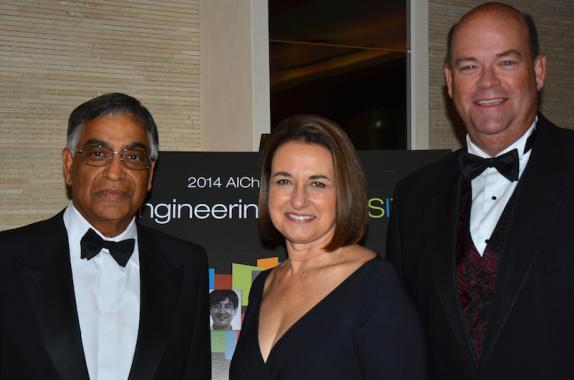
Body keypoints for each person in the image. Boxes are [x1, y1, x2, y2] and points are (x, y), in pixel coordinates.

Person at [386, 3, 574, 379]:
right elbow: (402, 343)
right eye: (469, 66)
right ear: (450, 80)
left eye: (506, 62)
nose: (487, 82)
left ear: (538, 71)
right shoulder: (413, 196)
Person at [0, 93, 211, 380]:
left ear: (149, 176)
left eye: (133, 157)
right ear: (69, 165)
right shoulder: (8, 258)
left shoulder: (188, 264)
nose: (115, 172)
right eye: (98, 154)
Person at [230, 115, 426, 379]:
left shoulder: (375, 285)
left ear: (344, 193)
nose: (298, 200)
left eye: (317, 183)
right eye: (284, 181)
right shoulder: (263, 285)